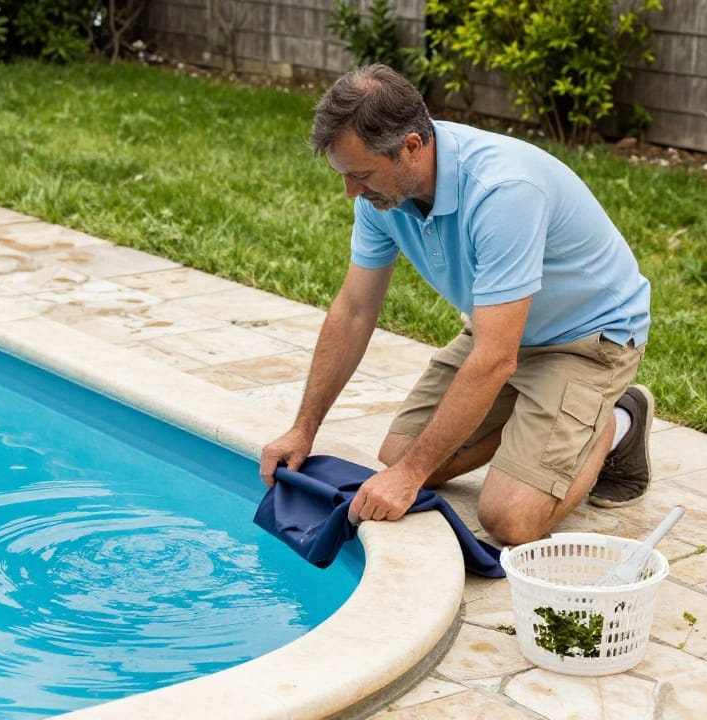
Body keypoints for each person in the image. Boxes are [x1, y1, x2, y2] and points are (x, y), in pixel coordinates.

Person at [259, 64, 654, 546]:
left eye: (360, 174)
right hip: (503, 333)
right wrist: (303, 429)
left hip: (588, 340)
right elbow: (354, 311)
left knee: (509, 518)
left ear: (410, 147)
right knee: (398, 454)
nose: (350, 191)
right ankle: (545, 417)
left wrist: (409, 479)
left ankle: (615, 420)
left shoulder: (503, 191)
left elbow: (494, 358)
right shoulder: (381, 198)